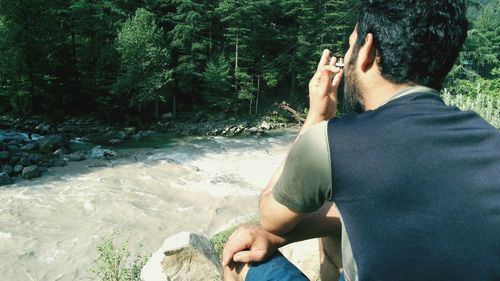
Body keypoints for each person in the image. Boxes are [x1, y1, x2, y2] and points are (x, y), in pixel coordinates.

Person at [222, 0, 500, 281]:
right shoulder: (490, 140)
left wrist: (316, 116)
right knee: (340, 220)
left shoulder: (334, 140)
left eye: (350, 44)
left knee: (238, 258)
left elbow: (271, 217)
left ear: (366, 50)